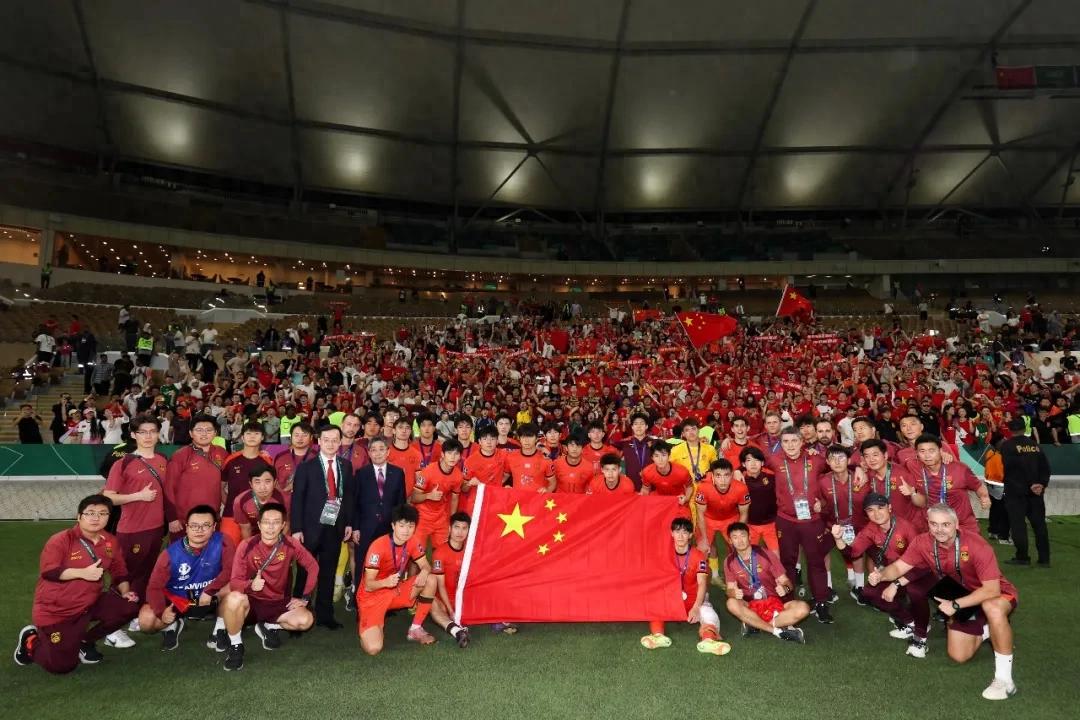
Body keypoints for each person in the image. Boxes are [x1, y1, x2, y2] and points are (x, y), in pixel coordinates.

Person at [869, 504, 1019, 701]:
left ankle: (1005, 680)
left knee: (993, 608)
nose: (939, 529)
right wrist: (881, 575)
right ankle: (988, 630)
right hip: (961, 596)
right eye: (934, 524)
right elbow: (898, 568)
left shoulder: (977, 545)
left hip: (994, 594)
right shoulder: (922, 542)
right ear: (928, 524)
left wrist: (955, 605)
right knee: (959, 655)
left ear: (956, 525)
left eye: (945, 524)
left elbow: (992, 590)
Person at [14, 495, 140, 673]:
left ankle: (85, 642)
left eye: (102, 513)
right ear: (79, 516)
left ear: (109, 517)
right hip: (57, 611)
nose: (96, 518)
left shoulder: (110, 541)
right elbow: (49, 572)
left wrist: (125, 592)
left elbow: (119, 571)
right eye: (90, 513)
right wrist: (83, 573)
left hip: (90, 604)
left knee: (128, 607)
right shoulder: (61, 540)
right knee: (62, 666)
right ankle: (30, 641)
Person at [831, 493, 933, 658]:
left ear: (890, 508)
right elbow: (853, 554)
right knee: (869, 593)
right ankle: (910, 622)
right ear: (866, 514)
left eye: (880, 508)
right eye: (870, 510)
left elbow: (923, 562)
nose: (876, 513)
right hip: (893, 571)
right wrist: (838, 539)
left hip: (920, 571)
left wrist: (896, 584)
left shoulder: (907, 527)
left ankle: (921, 632)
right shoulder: (870, 530)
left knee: (915, 591)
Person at [220, 503, 317, 671]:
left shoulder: (291, 544)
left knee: (306, 621)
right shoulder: (246, 545)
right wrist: (251, 585)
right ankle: (236, 645)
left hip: (278, 602)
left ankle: (269, 625)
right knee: (233, 598)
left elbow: (313, 566)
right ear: (259, 525)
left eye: (276, 522)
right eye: (266, 522)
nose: (271, 527)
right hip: (252, 603)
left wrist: (305, 597)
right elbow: (235, 582)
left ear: (283, 525)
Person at [102, 414, 168, 649]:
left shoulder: (163, 459)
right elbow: (109, 497)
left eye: (152, 431)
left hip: (156, 529)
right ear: (133, 435)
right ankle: (111, 629)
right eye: (143, 432)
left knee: (144, 576)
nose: (148, 436)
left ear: (158, 434)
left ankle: (131, 615)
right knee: (124, 577)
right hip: (132, 530)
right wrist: (138, 496)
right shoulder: (124, 462)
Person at [139, 505, 236, 651]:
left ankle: (219, 630)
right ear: (187, 527)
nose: (199, 530)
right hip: (180, 600)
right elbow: (154, 587)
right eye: (194, 525)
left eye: (206, 525)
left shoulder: (223, 541)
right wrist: (161, 612)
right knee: (146, 621)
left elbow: (231, 570)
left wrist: (209, 590)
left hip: (209, 596)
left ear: (214, 527)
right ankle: (172, 625)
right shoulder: (170, 554)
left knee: (235, 588)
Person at [764, 427, 834, 623]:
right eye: (786, 441)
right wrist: (737, 470)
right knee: (787, 562)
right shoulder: (774, 459)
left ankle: (821, 602)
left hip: (812, 520)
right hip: (786, 520)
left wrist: (824, 503)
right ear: (781, 443)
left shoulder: (816, 459)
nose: (790, 445)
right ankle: (787, 602)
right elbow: (749, 460)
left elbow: (838, 468)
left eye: (794, 441)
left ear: (802, 441)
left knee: (816, 561)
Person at [291, 423, 356, 629]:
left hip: (335, 527)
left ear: (340, 442)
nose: (330, 444)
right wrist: (296, 529)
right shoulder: (306, 467)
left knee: (328, 571)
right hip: (309, 529)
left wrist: (349, 522)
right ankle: (297, 612)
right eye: (326, 440)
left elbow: (349, 497)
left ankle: (325, 615)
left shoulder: (346, 466)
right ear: (318, 441)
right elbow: (297, 499)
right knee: (304, 572)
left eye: (335, 440)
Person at [641, 517, 731, 656]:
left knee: (708, 613)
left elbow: (702, 583)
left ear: (690, 535)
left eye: (684, 532)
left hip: (694, 599)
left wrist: (696, 607)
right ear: (671, 533)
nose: (681, 536)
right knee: (655, 604)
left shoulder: (699, 556)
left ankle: (708, 640)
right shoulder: (664, 554)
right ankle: (658, 636)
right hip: (672, 598)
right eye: (677, 532)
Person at [358, 504, 440, 655]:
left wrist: (424, 571)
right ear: (393, 526)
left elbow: (426, 566)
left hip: (395, 590)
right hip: (372, 596)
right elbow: (368, 585)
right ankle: (371, 627)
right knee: (373, 648)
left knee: (430, 579)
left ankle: (415, 628)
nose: (406, 530)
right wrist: (386, 582)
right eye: (402, 525)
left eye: (410, 526)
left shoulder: (413, 541)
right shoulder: (378, 546)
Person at [722, 522, 809, 643]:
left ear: (749, 537)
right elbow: (729, 590)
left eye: (743, 535)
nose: (740, 540)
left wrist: (785, 589)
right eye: (735, 537)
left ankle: (754, 624)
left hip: (774, 604)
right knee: (731, 603)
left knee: (803, 608)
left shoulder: (766, 554)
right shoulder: (729, 561)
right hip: (750, 606)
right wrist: (733, 593)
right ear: (730, 541)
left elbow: (786, 582)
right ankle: (777, 631)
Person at [347, 436, 407, 610]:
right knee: (362, 564)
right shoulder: (361, 473)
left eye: (382, 449)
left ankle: (386, 602)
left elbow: (401, 503)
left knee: (387, 564)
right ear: (369, 453)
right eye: (374, 450)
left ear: (388, 452)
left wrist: (398, 528)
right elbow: (355, 503)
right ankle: (358, 600)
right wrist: (356, 528)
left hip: (389, 528)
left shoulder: (397, 473)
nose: (378, 453)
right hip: (365, 528)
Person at [164, 415, 227, 542]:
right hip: (184, 521)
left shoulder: (221, 453)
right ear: (191, 433)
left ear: (215, 433)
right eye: (199, 430)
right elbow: (168, 488)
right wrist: (172, 518)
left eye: (209, 430)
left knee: (211, 553)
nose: (204, 433)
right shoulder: (180, 455)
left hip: (211, 519)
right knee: (182, 553)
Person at [910, 434, 990, 533]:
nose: (927, 455)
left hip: (962, 525)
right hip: (935, 526)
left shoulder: (960, 469)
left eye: (931, 450)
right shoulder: (913, 467)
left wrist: (984, 497)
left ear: (940, 451)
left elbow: (978, 486)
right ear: (917, 453)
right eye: (922, 451)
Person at [998, 417, 1051, 566]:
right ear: (1025, 429)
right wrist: (1041, 484)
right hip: (1036, 493)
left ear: (1010, 430)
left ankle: (1022, 557)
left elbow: (1011, 469)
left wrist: (1029, 484)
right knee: (1040, 525)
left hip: (1015, 492)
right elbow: (1045, 468)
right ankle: (1044, 559)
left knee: (1018, 525)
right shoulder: (1035, 445)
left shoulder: (1007, 446)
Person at [695, 458, 749, 583]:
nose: (723, 480)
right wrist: (704, 538)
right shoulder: (703, 487)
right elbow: (700, 514)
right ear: (712, 476)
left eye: (726, 475)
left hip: (730, 519)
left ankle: (736, 578)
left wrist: (738, 535)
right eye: (718, 475)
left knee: (738, 547)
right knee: (702, 550)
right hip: (708, 518)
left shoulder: (741, 488)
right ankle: (712, 576)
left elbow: (744, 513)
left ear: (732, 475)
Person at [220, 423, 273, 545]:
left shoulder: (267, 461)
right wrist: (231, 505)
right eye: (248, 433)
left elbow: (271, 490)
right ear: (242, 437)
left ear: (262, 437)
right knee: (228, 549)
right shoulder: (230, 460)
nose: (252, 436)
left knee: (254, 552)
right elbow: (220, 487)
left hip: (258, 517)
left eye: (256, 433)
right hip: (231, 516)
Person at [430, 511, 473, 648]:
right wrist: (450, 610)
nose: (460, 532)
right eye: (456, 527)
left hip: (464, 599)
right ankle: (456, 630)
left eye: (464, 528)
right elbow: (440, 586)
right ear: (449, 529)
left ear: (469, 530)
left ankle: (499, 620)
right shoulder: (439, 553)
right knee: (431, 602)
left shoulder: (471, 551)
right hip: (444, 600)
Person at [411, 439, 464, 549]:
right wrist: (429, 496)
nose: (453, 457)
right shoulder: (428, 471)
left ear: (460, 457)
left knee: (442, 552)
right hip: (423, 517)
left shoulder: (458, 475)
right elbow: (414, 497)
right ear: (442, 454)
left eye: (456, 454)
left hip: (441, 518)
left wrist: (451, 521)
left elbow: (455, 499)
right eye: (449, 453)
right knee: (417, 553)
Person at [739, 446, 779, 552]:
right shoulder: (739, 480)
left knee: (775, 557)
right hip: (750, 525)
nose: (753, 464)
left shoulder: (771, 476)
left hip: (771, 524)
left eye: (756, 460)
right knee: (749, 556)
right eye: (749, 460)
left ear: (762, 463)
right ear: (743, 464)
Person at [232, 465, 288, 540]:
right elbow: (246, 529)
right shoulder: (240, 501)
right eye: (257, 482)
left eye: (267, 481)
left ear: (275, 483)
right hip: (253, 535)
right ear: (251, 484)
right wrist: (251, 545)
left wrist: (278, 544)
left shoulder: (285, 499)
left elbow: (286, 525)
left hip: (277, 535)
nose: (262, 487)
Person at [640, 442, 694, 517]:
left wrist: (686, 498)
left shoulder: (682, 471)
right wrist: (642, 498)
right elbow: (645, 489)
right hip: (659, 499)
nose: (660, 459)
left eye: (664, 455)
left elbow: (690, 487)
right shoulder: (647, 472)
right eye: (656, 456)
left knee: (682, 522)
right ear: (652, 458)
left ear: (669, 456)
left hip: (678, 499)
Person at [505, 423, 555, 493]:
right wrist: (505, 487)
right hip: (517, 498)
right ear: (519, 438)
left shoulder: (545, 460)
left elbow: (553, 483)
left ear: (536, 438)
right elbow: (504, 476)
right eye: (523, 437)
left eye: (530, 436)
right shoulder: (510, 457)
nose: (526, 440)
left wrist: (547, 491)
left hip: (537, 498)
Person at [273, 421, 316, 500]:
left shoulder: (318, 458)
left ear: (311, 437)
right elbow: (273, 481)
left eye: (304, 435)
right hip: (284, 503)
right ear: (291, 437)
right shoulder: (280, 457)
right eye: (296, 435)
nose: (300, 438)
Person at [669, 418, 717, 485]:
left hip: (705, 488)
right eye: (687, 430)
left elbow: (716, 469)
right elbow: (670, 471)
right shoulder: (675, 450)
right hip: (685, 488)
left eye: (693, 429)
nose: (691, 432)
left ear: (699, 430)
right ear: (683, 434)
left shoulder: (710, 449)